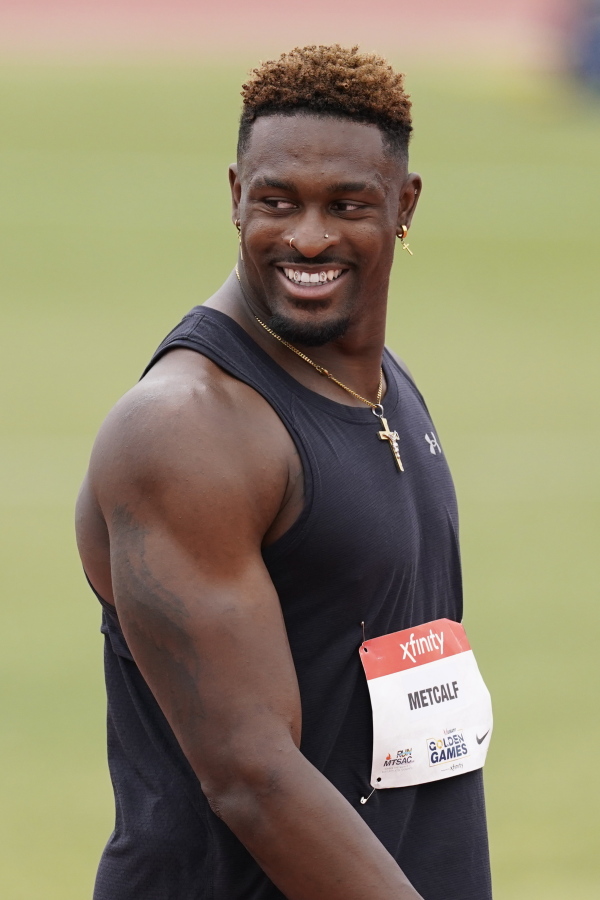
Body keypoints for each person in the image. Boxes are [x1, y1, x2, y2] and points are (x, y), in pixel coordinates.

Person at [76, 45, 492, 900]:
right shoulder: (185, 432)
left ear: (403, 206)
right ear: (235, 195)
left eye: (347, 205)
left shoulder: (379, 384)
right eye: (276, 201)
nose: (308, 237)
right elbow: (252, 776)